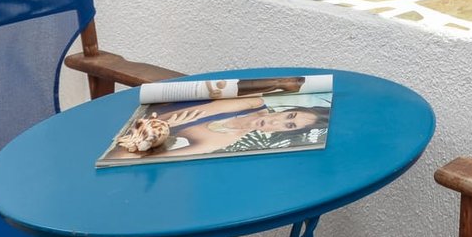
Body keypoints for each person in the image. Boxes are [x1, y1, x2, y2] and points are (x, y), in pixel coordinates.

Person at [133, 97, 330, 156]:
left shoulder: (222, 142)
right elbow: (157, 117)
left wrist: (169, 127)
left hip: (137, 136)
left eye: (289, 126)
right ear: (287, 109)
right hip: (143, 113)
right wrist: (167, 124)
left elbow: (154, 157)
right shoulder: (253, 103)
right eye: (290, 116)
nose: (276, 122)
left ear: (281, 132)